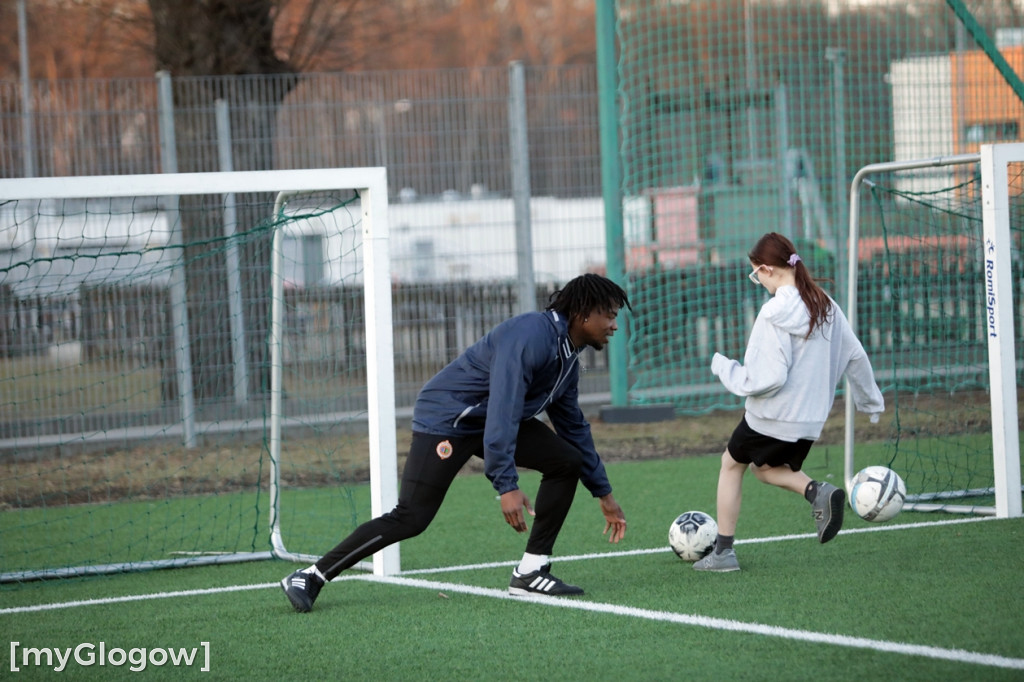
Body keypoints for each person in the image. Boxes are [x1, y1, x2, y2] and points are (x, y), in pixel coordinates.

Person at [281, 273, 632, 611]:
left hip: (486, 420)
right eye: (610, 315)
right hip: (448, 418)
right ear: (583, 313)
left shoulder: (568, 356)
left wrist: (605, 493)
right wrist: (505, 484)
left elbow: (573, 428)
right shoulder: (531, 335)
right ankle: (310, 576)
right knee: (412, 517)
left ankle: (531, 572)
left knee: (565, 460)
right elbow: (504, 408)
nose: (614, 325)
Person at [694, 232, 885, 573]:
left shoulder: (773, 313)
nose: (757, 281)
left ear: (767, 269)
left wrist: (724, 367)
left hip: (771, 416)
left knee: (730, 464)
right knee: (764, 470)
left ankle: (723, 553)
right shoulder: (826, 304)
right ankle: (817, 491)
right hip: (809, 423)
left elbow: (766, 378)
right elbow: (855, 355)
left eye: (756, 274)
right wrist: (870, 402)